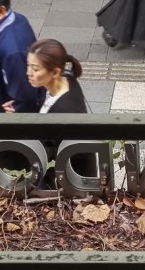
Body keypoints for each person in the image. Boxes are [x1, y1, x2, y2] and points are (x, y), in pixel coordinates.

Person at [26, 38, 96, 187]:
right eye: (28, 66)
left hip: (69, 181)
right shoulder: (66, 78)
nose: (28, 73)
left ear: (55, 72)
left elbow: (53, 149)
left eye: (35, 69)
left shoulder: (65, 111)